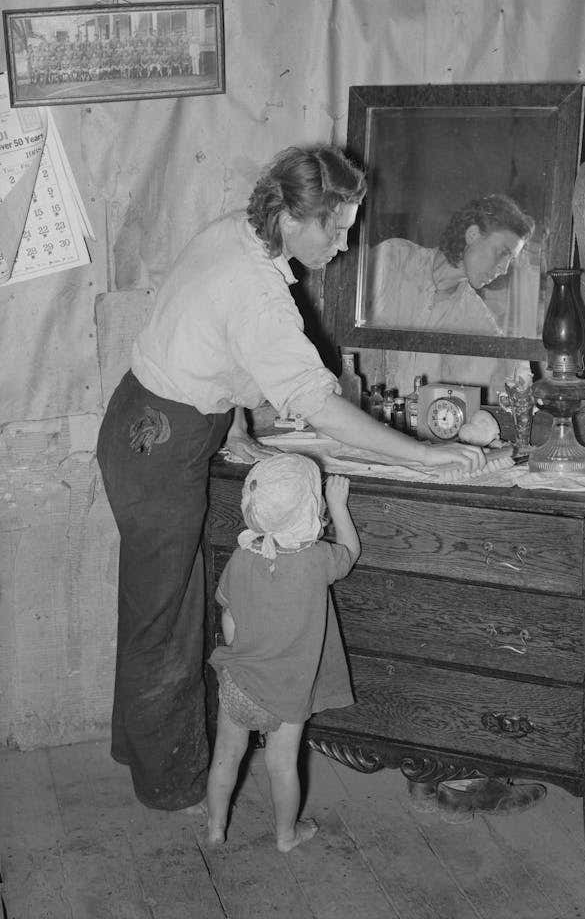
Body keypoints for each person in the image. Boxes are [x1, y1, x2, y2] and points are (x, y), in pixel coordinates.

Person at [96, 144, 484, 812]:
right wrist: (422, 456)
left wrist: (236, 421)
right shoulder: (257, 290)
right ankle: (167, 785)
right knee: (164, 617)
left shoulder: (238, 232)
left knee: (163, 605)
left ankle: (143, 752)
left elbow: (210, 335)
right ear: (291, 218)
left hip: (147, 418)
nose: (343, 242)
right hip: (159, 443)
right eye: (334, 228)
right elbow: (313, 399)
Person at [206, 454, 359, 851]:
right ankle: (286, 835)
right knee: (282, 765)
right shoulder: (318, 560)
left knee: (226, 755)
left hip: (238, 682)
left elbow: (229, 614)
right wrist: (340, 505)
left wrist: (239, 652)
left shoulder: (241, 557)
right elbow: (350, 552)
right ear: (314, 510)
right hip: (287, 692)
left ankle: (216, 827)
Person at [367, 194, 537, 402]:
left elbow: (501, 381)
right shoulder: (394, 258)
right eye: (502, 253)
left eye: (510, 260)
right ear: (473, 235)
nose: (503, 269)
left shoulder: (477, 318)